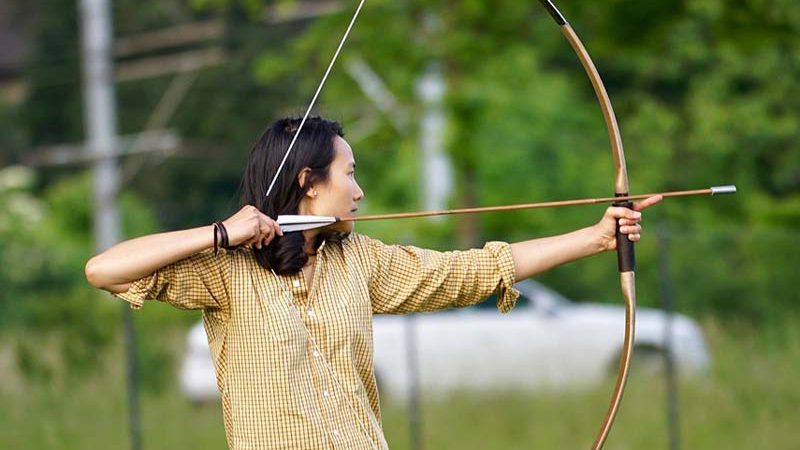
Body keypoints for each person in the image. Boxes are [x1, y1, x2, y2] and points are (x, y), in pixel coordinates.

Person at [85, 116, 661, 449]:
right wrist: (219, 233)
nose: (359, 191)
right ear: (309, 182)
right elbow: (103, 269)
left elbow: (472, 271)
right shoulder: (226, 270)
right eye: (350, 174)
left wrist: (595, 238)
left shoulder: (359, 260)